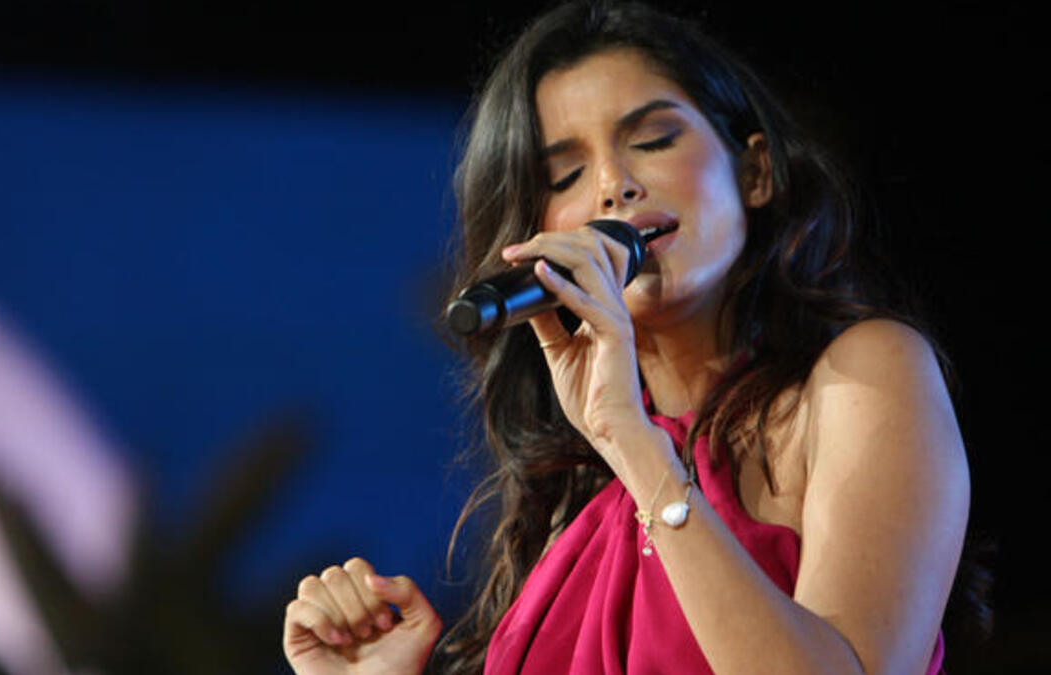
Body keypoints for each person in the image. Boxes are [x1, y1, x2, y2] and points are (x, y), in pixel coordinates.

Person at [282, 1, 971, 673]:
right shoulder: (576, 510)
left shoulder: (861, 378)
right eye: (566, 176)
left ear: (755, 171)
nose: (614, 186)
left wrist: (635, 445)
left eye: (653, 140)